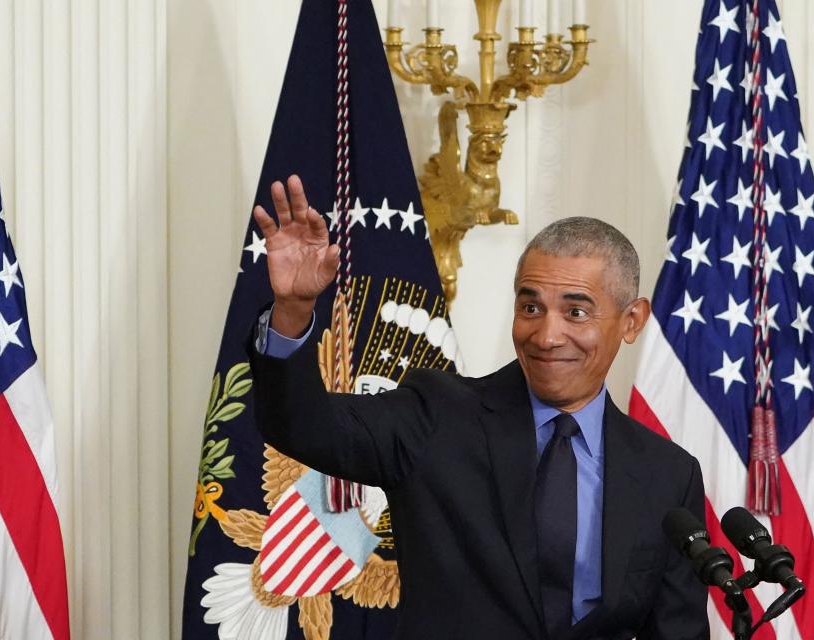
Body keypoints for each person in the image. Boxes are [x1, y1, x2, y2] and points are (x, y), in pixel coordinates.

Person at [248, 175, 708, 640]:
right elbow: (304, 426)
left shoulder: (667, 474)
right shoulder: (436, 415)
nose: (547, 336)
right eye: (531, 308)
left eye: (576, 312)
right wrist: (292, 312)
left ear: (632, 321)